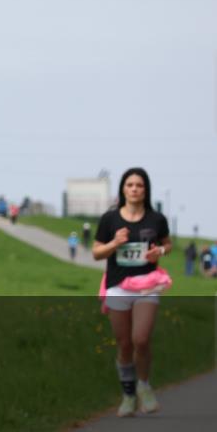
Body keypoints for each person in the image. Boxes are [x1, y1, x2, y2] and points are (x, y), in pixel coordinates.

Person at [93, 167, 173, 418]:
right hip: (118, 285)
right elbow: (96, 253)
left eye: (139, 185)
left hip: (148, 284)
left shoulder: (156, 219)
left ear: (145, 190)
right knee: (125, 343)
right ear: (123, 189)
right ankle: (128, 395)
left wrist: (158, 252)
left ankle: (145, 386)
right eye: (130, 185)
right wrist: (115, 243)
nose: (134, 189)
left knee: (141, 339)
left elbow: (167, 244)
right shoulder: (110, 220)